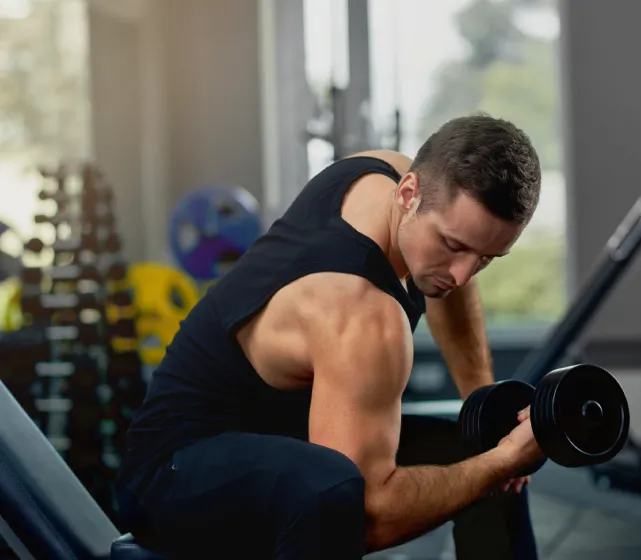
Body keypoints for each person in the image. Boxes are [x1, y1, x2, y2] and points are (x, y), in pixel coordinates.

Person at [115, 113, 544, 559]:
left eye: (487, 258)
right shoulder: (363, 315)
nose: (461, 274)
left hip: (285, 437)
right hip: (172, 474)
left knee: (485, 447)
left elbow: (458, 273)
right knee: (333, 493)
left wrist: (483, 403)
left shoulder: (389, 176)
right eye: (453, 247)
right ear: (410, 194)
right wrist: (501, 464)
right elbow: (371, 518)